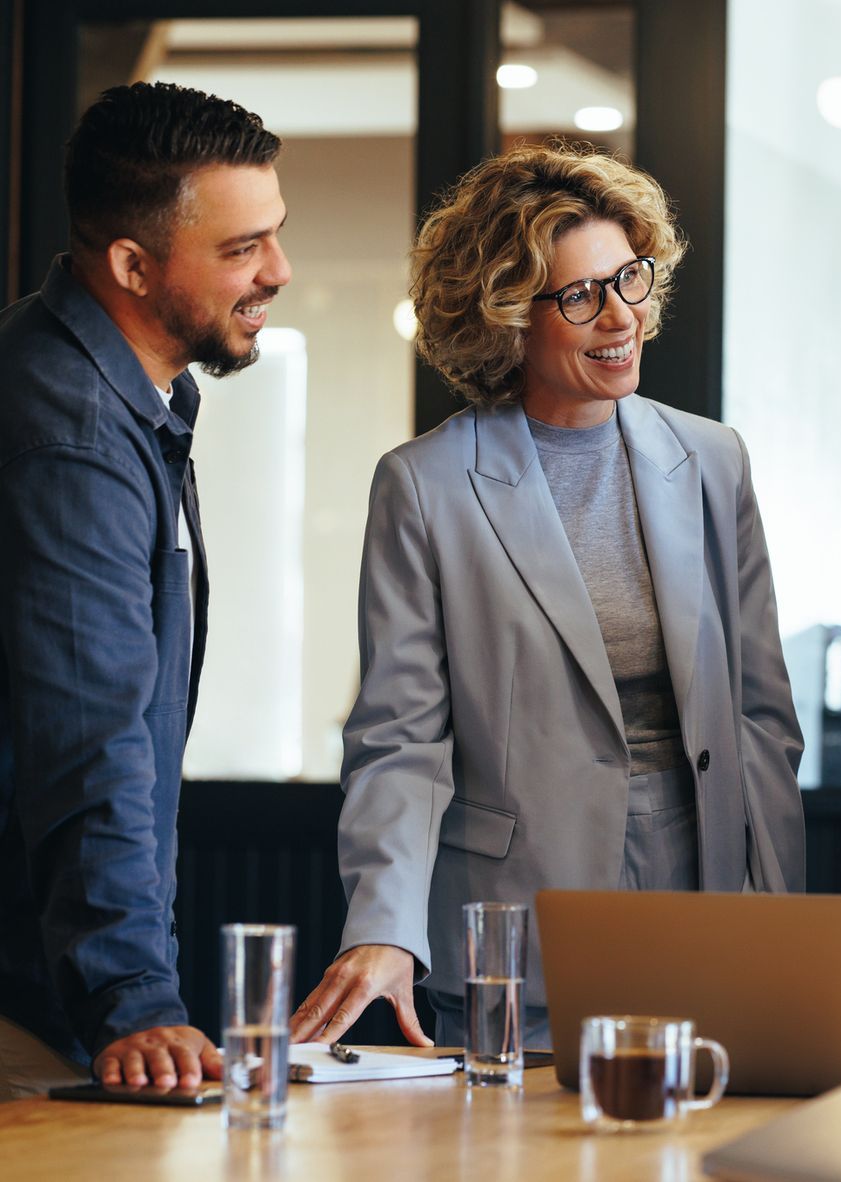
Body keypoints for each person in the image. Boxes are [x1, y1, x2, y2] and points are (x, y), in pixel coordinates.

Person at [290, 143, 805, 1051]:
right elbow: (398, 738)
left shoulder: (711, 459)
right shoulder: (426, 485)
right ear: (505, 319)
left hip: (705, 896)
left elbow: (762, 718)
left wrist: (779, 921)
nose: (621, 316)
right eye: (579, 296)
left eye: (630, 279)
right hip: (514, 916)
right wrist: (383, 925)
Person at [0, 82, 289, 1099]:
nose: (278, 272)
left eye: (276, 236)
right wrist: (132, 996)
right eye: (242, 248)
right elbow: (92, 732)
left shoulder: (123, 396)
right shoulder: (72, 431)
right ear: (131, 264)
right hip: (31, 999)